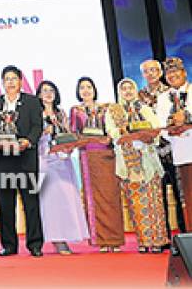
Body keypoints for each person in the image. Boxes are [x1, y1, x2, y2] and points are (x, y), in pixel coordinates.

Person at [106, 78, 169, 253]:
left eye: (130, 88)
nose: (127, 91)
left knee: (153, 201)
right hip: (128, 161)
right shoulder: (113, 111)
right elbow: (111, 132)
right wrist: (125, 132)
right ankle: (143, 241)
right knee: (135, 203)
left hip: (148, 158)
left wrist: (146, 137)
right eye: (124, 88)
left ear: (135, 90)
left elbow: (156, 129)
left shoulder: (145, 108)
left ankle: (157, 240)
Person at [0, 65, 44, 257]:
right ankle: (9, 245)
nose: (10, 82)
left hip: (25, 159)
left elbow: (38, 126)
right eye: (7, 79)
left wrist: (28, 141)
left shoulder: (32, 102)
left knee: (31, 203)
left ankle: (35, 244)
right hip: (3, 160)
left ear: (21, 81)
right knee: (5, 204)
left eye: (14, 78)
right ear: (2, 82)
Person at [70, 77, 124, 252]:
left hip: (107, 155)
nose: (86, 90)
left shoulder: (107, 108)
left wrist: (110, 137)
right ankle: (101, 240)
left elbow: (115, 130)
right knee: (94, 199)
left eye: (88, 87)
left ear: (94, 89)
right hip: (87, 157)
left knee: (111, 197)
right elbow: (73, 134)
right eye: (82, 88)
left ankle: (114, 240)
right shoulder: (75, 110)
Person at [36, 81, 89, 255]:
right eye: (44, 91)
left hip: (63, 161)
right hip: (45, 162)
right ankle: (57, 239)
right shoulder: (36, 114)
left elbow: (68, 135)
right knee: (51, 202)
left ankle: (69, 234)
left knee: (68, 199)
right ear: (38, 95)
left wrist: (70, 144)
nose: (48, 94)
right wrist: (43, 133)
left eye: (51, 90)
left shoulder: (62, 113)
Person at [139, 59, 186, 239]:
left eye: (154, 70)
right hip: (150, 152)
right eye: (146, 71)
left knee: (179, 192)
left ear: (160, 73)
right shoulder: (138, 96)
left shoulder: (171, 92)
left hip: (173, 148)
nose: (150, 74)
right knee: (156, 197)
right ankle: (163, 238)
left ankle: (184, 234)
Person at [156, 57, 192, 232]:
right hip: (180, 154)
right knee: (187, 200)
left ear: (184, 72)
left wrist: (187, 121)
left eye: (176, 71)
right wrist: (171, 130)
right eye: (169, 73)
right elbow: (160, 126)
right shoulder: (163, 99)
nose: (173, 75)